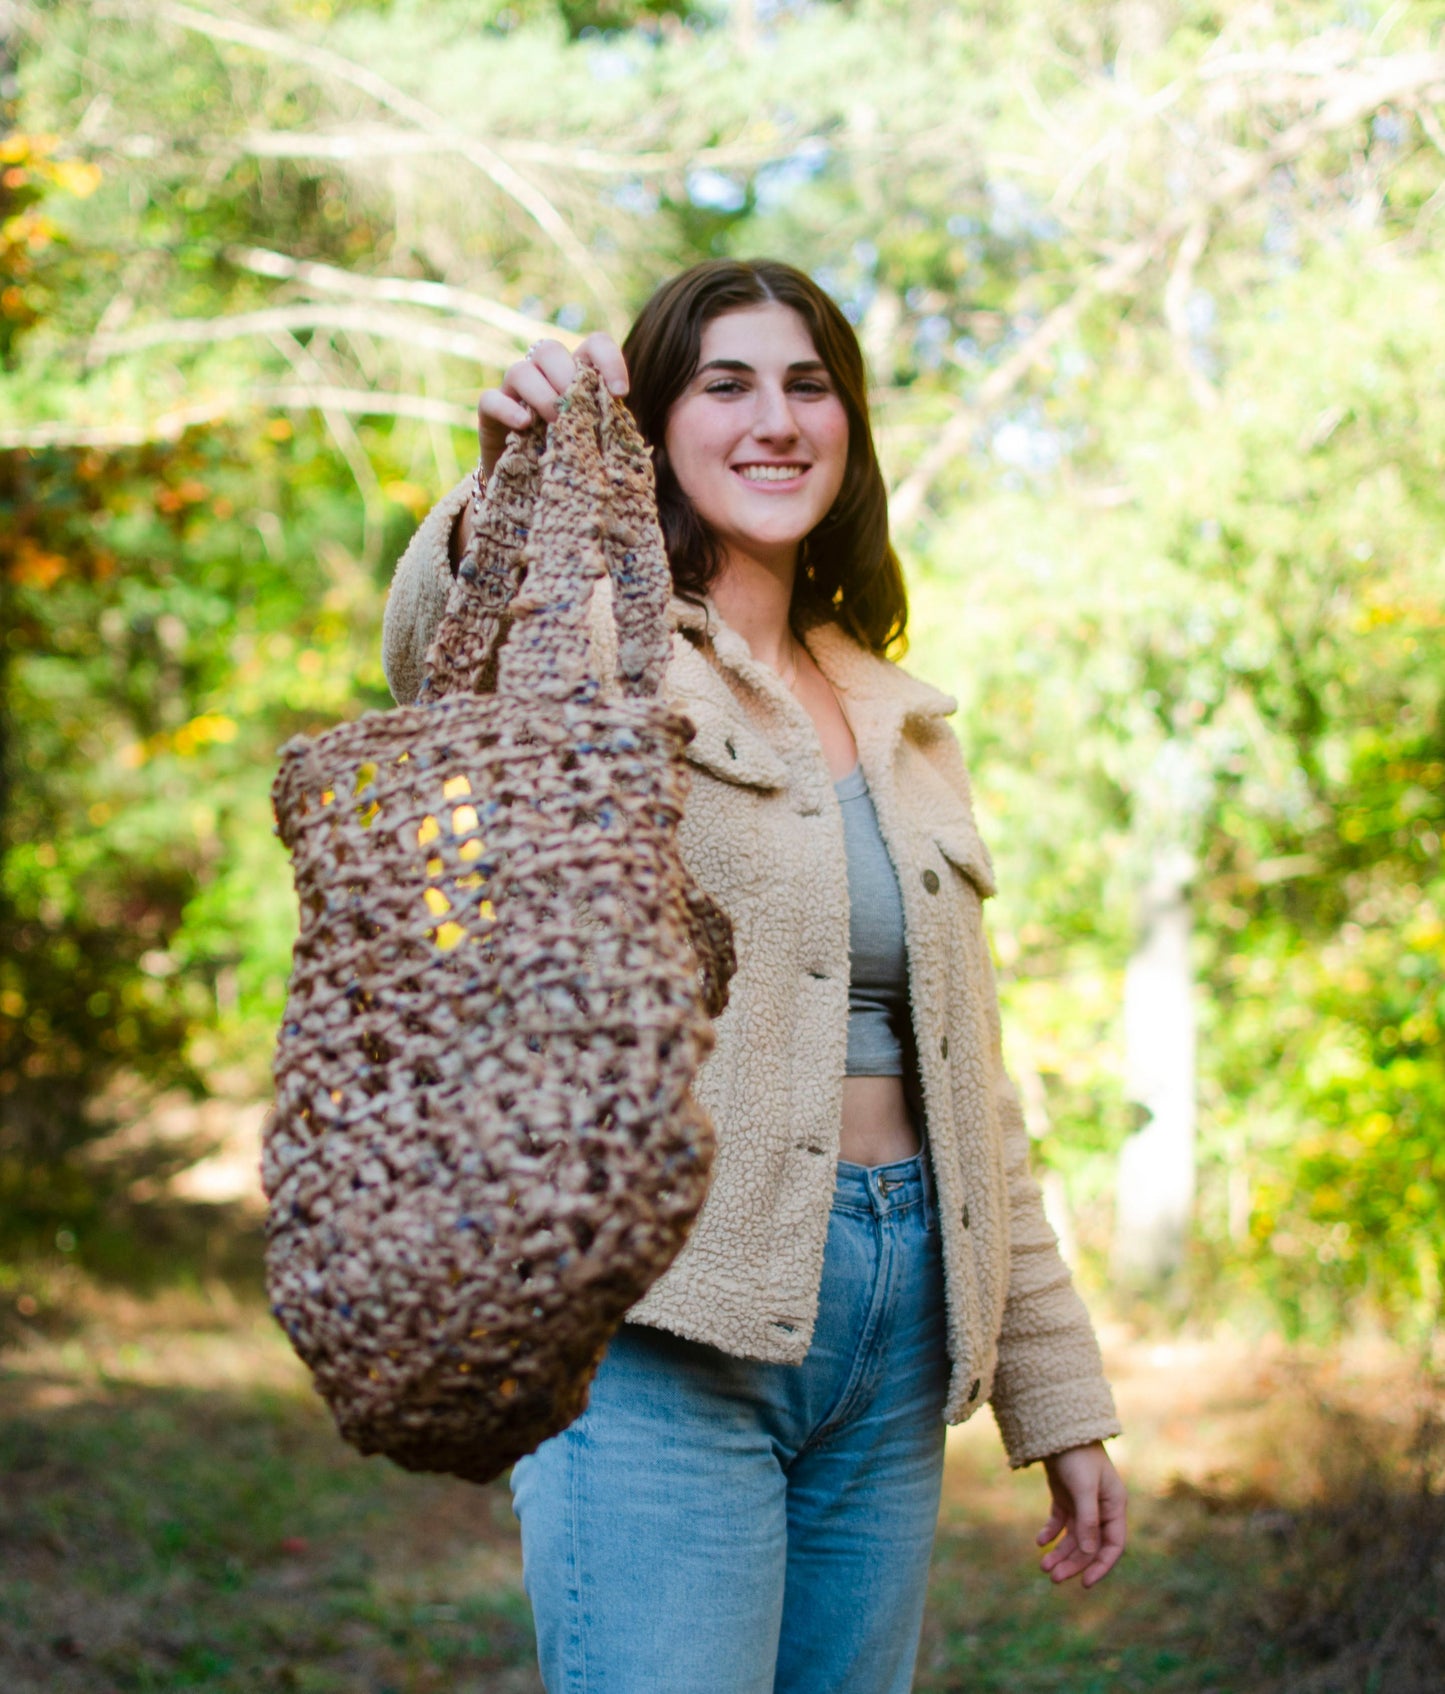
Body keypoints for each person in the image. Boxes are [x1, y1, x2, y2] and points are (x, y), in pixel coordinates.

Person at [382, 258, 1126, 1694]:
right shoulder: (598, 652)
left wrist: (1057, 1394)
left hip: (899, 1327)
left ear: (847, 428)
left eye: (807, 384)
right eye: (723, 385)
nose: (773, 419)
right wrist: (497, 496)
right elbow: (437, 665)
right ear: (658, 422)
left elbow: (971, 1079)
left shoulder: (902, 716)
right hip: (659, 1313)